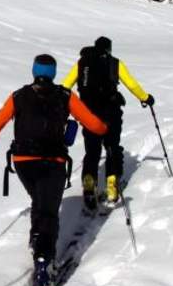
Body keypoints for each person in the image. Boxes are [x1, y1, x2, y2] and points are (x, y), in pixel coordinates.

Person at [0, 54, 107, 286]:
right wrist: (105, 130)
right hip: (52, 162)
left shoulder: (18, 96)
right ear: (53, 72)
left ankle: (36, 238)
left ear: (34, 71)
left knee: (40, 201)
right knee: (49, 210)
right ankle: (43, 265)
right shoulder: (65, 95)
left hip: (23, 163)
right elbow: (93, 124)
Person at [62, 36, 155, 211]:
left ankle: (89, 185)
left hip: (88, 114)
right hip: (111, 112)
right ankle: (112, 184)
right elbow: (132, 85)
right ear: (109, 49)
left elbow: (66, 85)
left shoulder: (82, 63)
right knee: (112, 147)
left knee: (92, 151)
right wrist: (146, 98)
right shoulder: (115, 63)